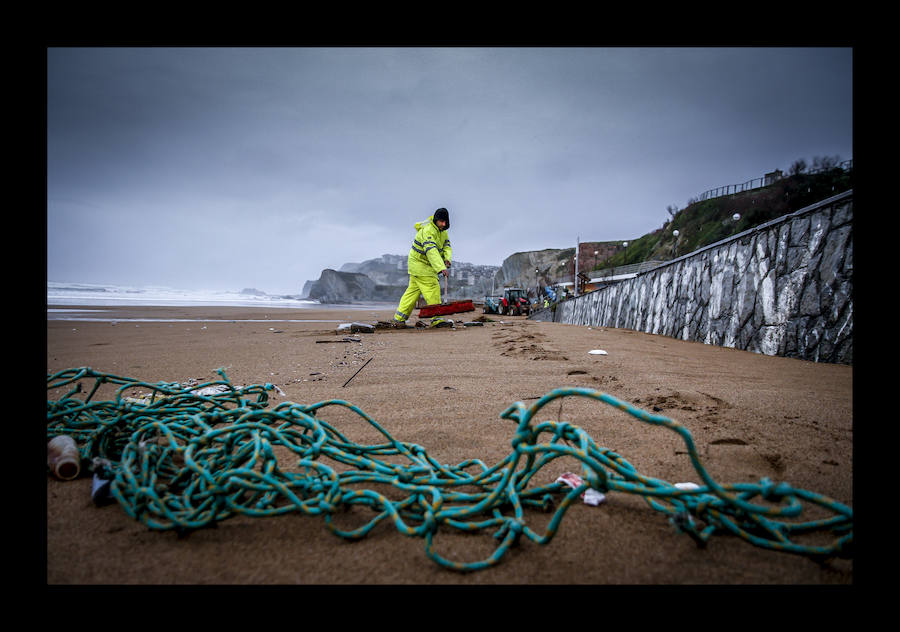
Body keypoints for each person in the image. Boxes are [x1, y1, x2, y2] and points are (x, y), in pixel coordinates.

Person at [392, 207, 453, 328]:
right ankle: (437, 319)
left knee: (412, 292)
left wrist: (447, 258)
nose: (443, 224)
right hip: (421, 265)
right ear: (436, 220)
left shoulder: (443, 232)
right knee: (433, 287)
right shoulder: (428, 231)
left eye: (445, 222)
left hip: (418, 266)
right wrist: (441, 267)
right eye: (441, 221)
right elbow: (431, 251)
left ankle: (399, 319)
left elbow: (447, 246)